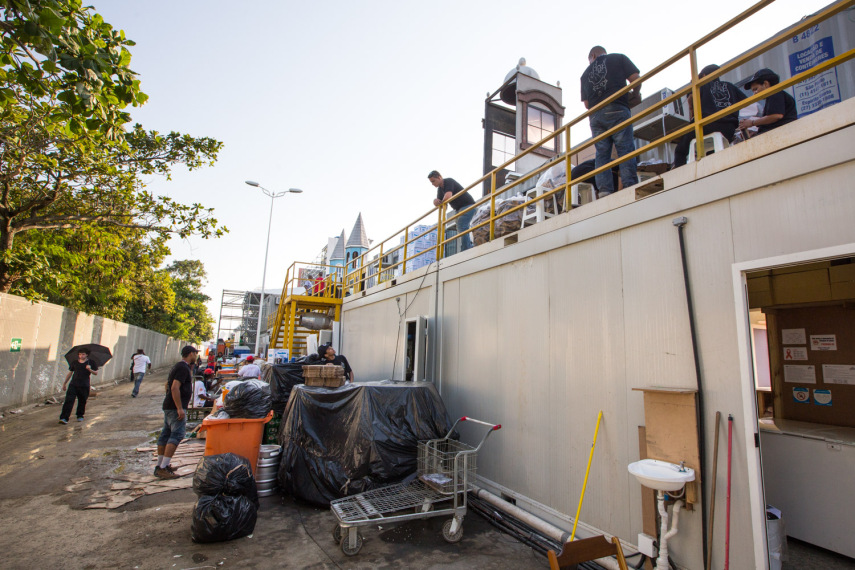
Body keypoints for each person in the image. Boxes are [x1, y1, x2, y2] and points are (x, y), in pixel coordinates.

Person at [580, 46, 641, 196]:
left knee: (602, 153)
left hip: (595, 117)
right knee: (624, 148)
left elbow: (587, 105)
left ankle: (604, 190)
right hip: (617, 107)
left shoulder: (585, 74)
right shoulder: (618, 58)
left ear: (593, 56)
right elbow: (635, 79)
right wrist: (635, 94)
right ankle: (629, 185)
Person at [672, 64, 747, 168]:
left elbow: (691, 104)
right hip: (729, 129)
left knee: (681, 148)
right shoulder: (730, 86)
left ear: (703, 75)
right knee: (713, 145)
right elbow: (747, 103)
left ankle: (679, 172)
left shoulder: (700, 85)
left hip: (707, 125)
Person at [154, 345, 198, 479]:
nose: (196, 356)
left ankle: (161, 465)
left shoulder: (178, 366)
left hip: (169, 406)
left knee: (166, 435)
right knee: (177, 435)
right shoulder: (183, 368)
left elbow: (167, 385)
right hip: (174, 408)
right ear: (191, 354)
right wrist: (179, 407)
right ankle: (162, 468)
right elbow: (174, 387)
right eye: (195, 354)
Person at [738, 68, 797, 136]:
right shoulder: (773, 97)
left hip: (782, 133)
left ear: (766, 84)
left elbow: (776, 116)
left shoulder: (775, 93)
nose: (754, 94)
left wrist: (752, 123)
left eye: (756, 89)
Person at [428, 170, 476, 252]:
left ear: (439, 177)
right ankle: (467, 246)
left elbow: (448, 196)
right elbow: (443, 206)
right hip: (458, 209)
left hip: (468, 205)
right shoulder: (440, 189)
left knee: (462, 226)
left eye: (433, 181)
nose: (432, 184)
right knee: (460, 228)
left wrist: (441, 202)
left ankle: (466, 249)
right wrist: (435, 201)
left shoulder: (448, 181)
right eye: (431, 182)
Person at [59, 348, 99, 424]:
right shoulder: (74, 362)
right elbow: (70, 373)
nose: (81, 356)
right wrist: (64, 383)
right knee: (68, 401)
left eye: (83, 354)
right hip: (73, 384)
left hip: (84, 385)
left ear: (87, 354)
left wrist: (90, 369)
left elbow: (96, 373)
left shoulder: (91, 362)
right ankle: (64, 418)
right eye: (80, 354)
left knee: (82, 401)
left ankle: (80, 415)